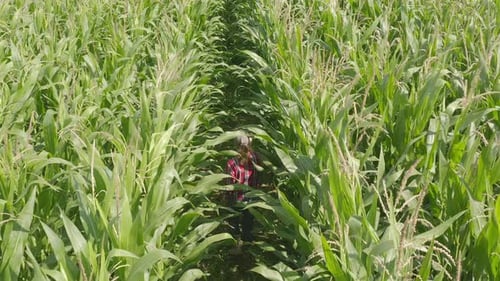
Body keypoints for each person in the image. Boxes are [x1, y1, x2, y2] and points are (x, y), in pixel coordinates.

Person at [226, 134, 259, 244]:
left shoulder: (232, 163)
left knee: (234, 223)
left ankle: (236, 245)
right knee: (248, 223)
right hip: (251, 199)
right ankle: (247, 244)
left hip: (237, 200)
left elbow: (229, 184)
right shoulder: (254, 158)